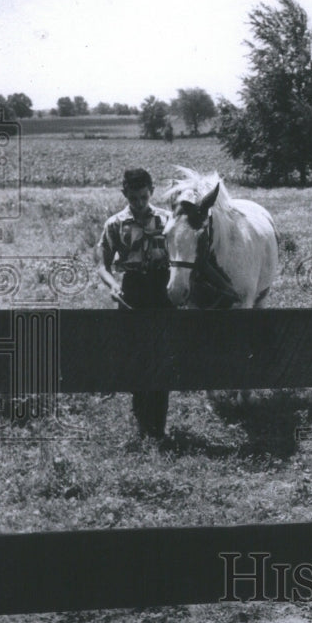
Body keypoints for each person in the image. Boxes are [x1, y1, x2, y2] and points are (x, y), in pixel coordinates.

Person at [96, 167, 173, 441]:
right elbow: (102, 265)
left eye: (143, 197)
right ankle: (142, 424)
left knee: (162, 356)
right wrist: (113, 285)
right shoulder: (114, 224)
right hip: (133, 291)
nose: (139, 203)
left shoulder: (168, 220)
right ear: (124, 194)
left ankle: (159, 426)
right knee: (136, 355)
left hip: (162, 290)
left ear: (151, 192)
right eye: (133, 198)